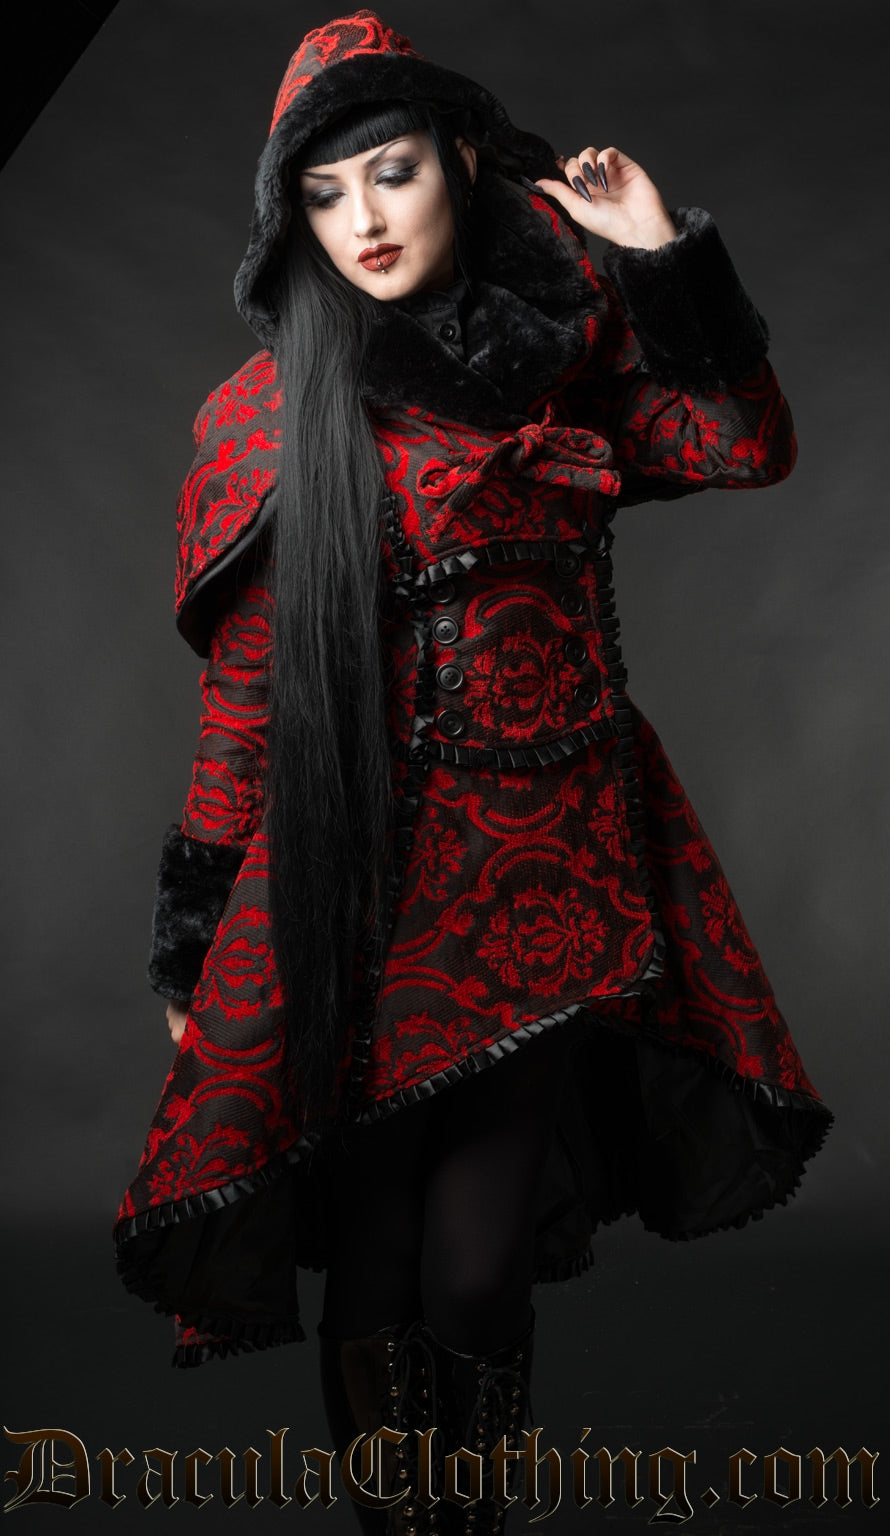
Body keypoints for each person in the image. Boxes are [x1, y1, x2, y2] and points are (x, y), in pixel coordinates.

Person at [115, 9, 832, 1532]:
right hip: (364, 882)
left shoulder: (563, 353)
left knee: (480, 1264)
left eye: (392, 173)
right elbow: (244, 707)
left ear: (458, 161)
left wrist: (660, 257)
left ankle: (469, 1520)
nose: (364, 221)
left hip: (551, 870)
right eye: (324, 195)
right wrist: (194, 925)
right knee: (377, 1255)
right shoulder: (262, 421)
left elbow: (743, 444)